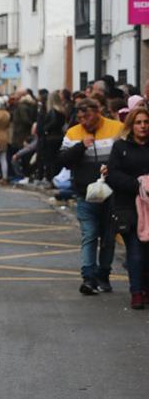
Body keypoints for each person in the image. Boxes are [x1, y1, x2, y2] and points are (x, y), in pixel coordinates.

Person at [59, 97, 122, 295]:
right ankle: (88, 277)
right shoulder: (73, 133)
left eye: (87, 117)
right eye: (80, 118)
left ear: (98, 111)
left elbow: (125, 156)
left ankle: (103, 273)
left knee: (109, 237)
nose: (84, 122)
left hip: (112, 193)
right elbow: (63, 160)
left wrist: (111, 168)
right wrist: (81, 146)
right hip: (84, 193)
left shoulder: (116, 128)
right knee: (89, 234)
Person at [106, 106, 149, 309]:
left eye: (146, 122)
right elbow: (112, 175)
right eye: (138, 123)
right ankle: (136, 292)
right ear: (131, 126)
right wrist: (138, 185)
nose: (143, 126)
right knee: (136, 251)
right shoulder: (120, 147)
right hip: (128, 208)